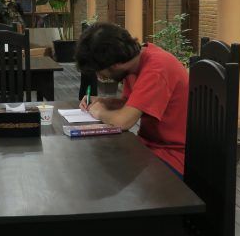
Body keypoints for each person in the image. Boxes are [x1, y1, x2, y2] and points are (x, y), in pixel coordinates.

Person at [75, 22, 188, 175]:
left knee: (100, 174)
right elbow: (130, 104)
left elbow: (123, 122)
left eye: (98, 71)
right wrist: (105, 102)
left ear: (114, 65)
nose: (99, 76)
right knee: (94, 166)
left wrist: (99, 112)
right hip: (148, 146)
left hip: (172, 155)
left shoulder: (156, 69)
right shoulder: (135, 64)